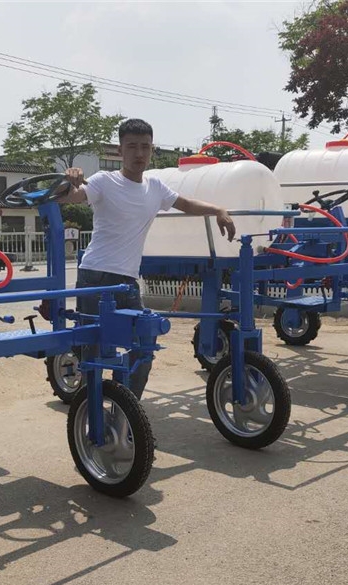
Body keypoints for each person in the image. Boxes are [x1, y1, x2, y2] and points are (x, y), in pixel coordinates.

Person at [58, 118, 236, 399]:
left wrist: (218, 209)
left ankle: (124, 403)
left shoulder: (155, 187)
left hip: (128, 280)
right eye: (132, 147)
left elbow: (186, 204)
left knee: (144, 346)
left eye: (145, 147)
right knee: (92, 350)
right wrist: (67, 182)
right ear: (120, 151)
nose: (139, 153)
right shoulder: (105, 181)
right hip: (96, 275)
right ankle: (89, 408)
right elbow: (72, 197)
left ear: (152, 149)